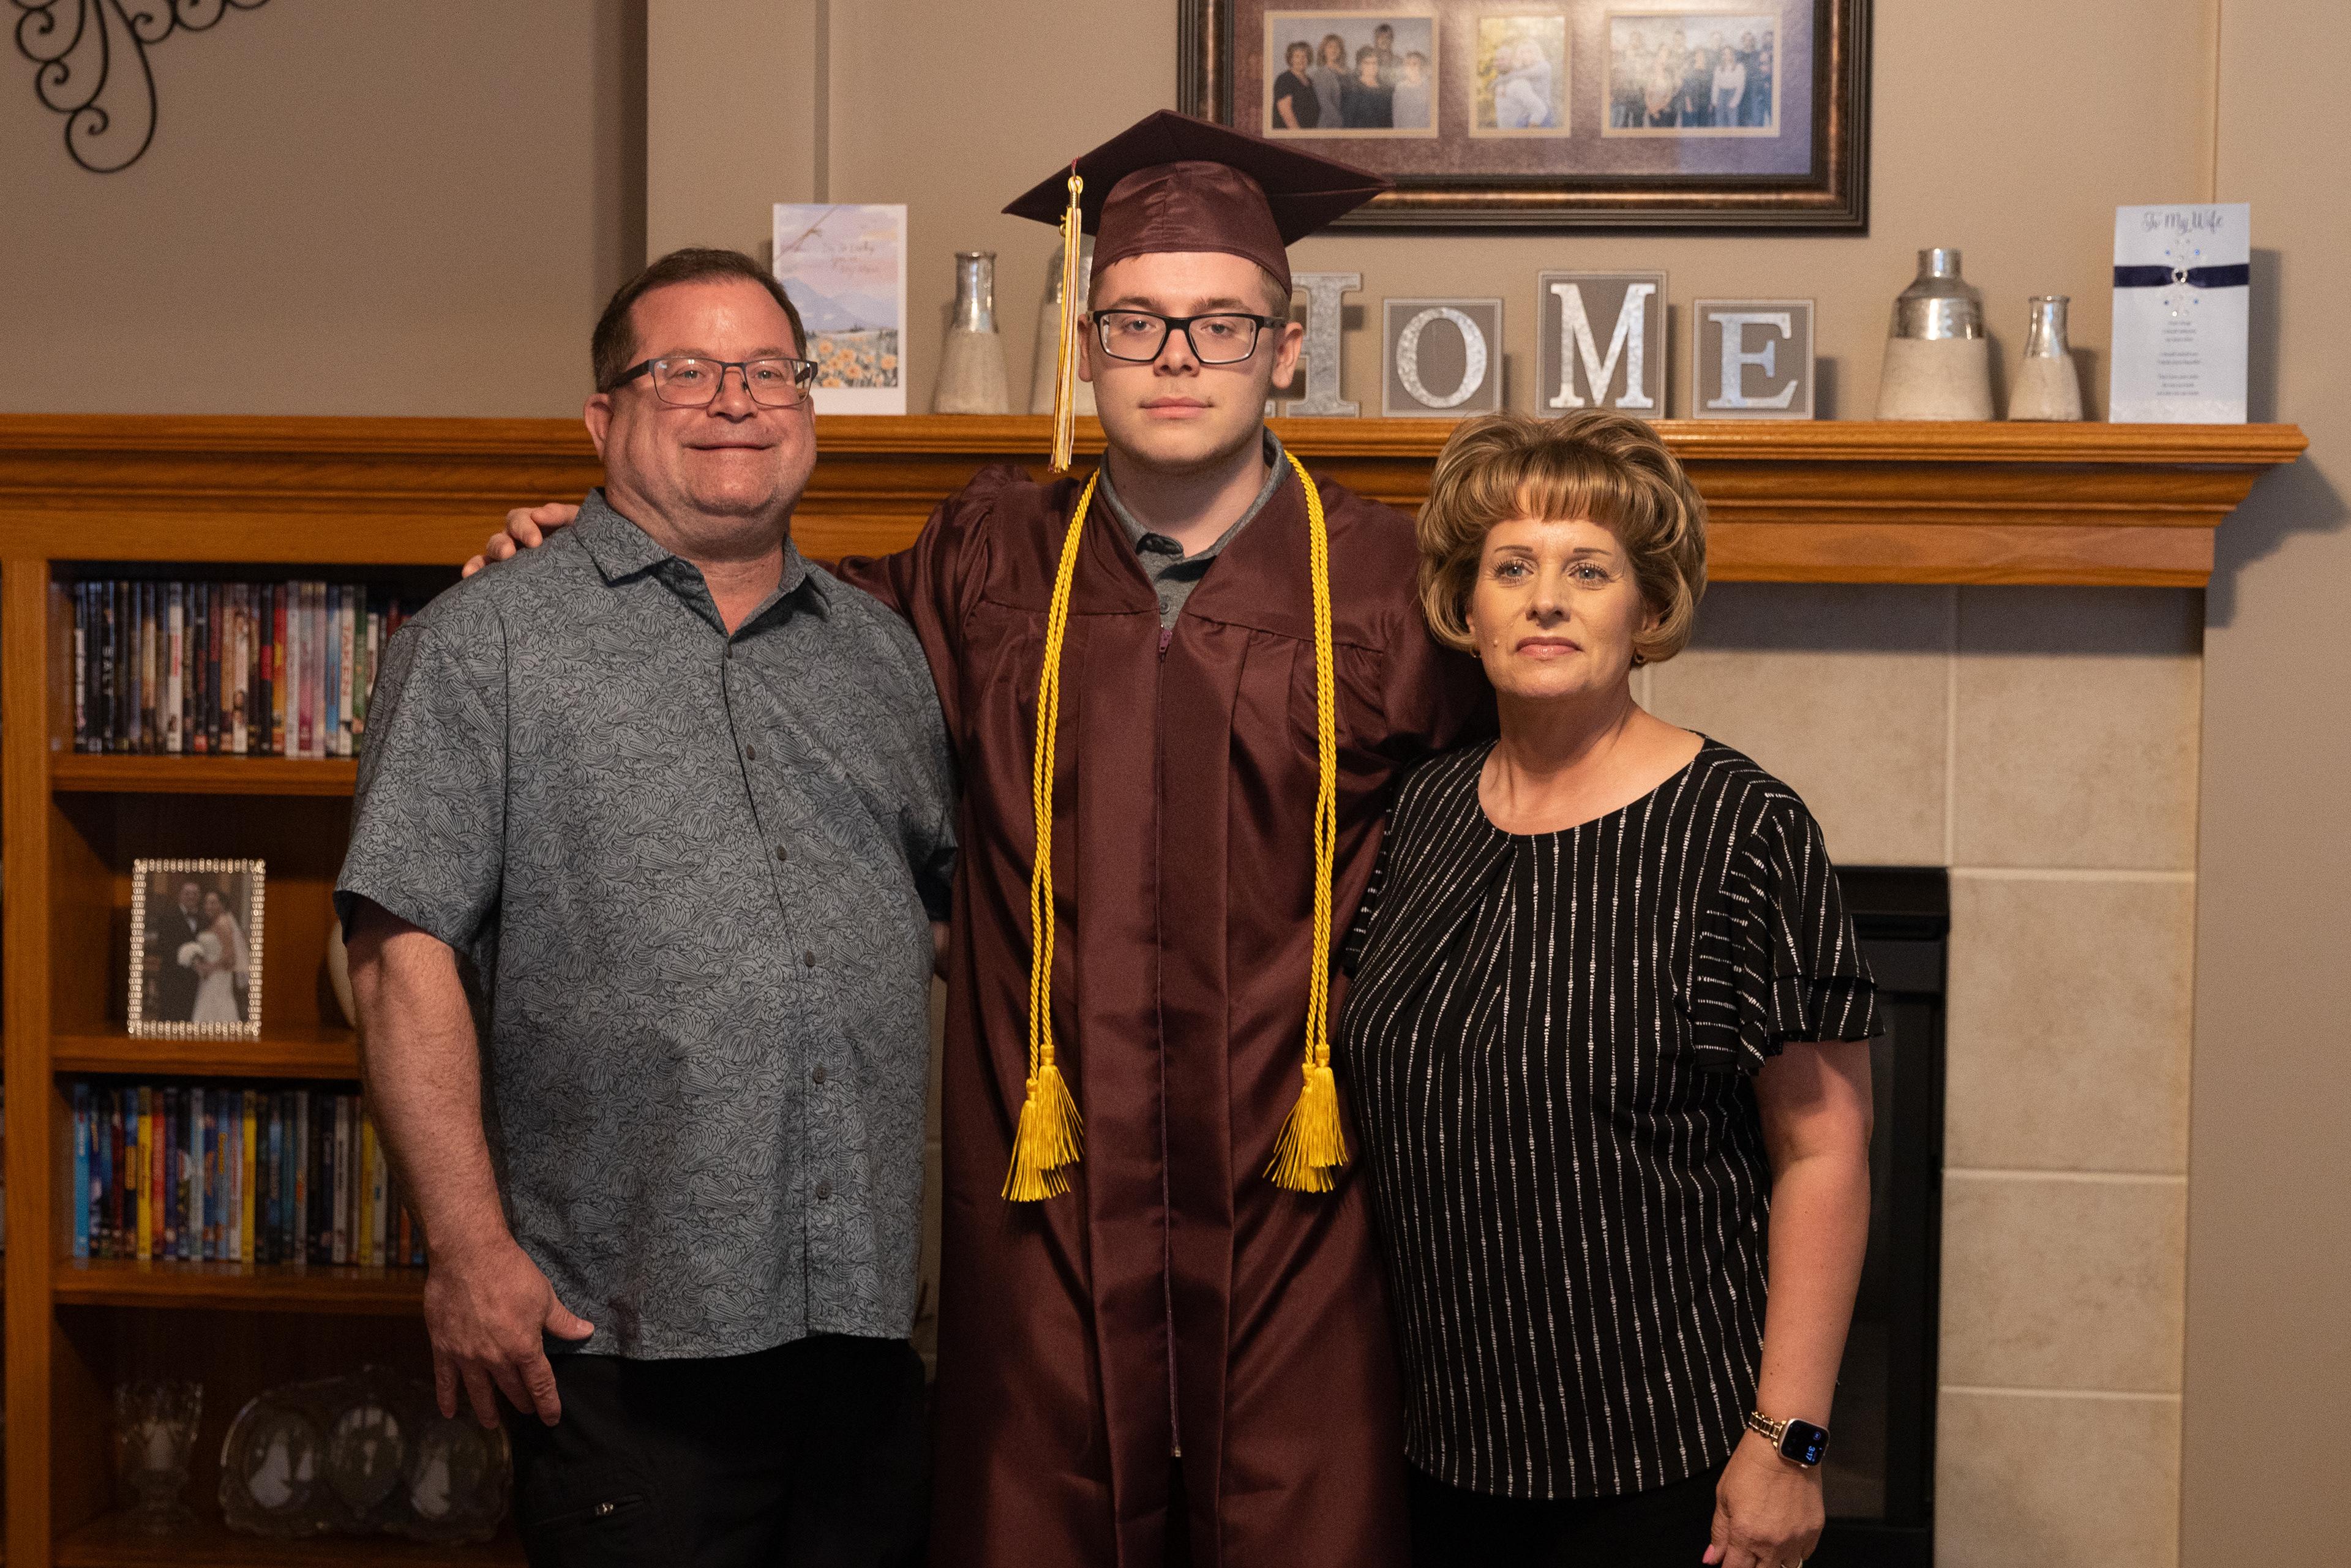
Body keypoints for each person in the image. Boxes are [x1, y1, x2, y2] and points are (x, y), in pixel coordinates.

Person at [472, 111, 1493, 1568]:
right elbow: (764, 629)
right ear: (1084, 347)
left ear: (1286, 349)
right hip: (1046, 1212)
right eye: (1135, 322)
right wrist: (592, 558)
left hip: (1309, 1215)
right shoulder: (987, 558)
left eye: (1222, 323)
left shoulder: (1397, 581)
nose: (1178, 357)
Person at [343, 246, 955, 1567]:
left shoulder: (881, 653)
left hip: (862, 1337)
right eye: (685, 370)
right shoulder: (485, 642)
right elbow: (398, 954)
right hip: (620, 1348)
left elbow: (950, 923)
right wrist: (467, 1249)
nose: (735, 398)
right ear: (601, 417)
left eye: (770, 371)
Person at [1339, 410, 1878, 1568]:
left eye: (1588, 570)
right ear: (1465, 605)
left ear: (1646, 607)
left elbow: (1824, 1152)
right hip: (1444, 1455)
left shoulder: (1742, 829)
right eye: (1512, 568)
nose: (1546, 601)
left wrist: (1787, 1446)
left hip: (1669, 1464)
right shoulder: (1420, 814)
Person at [147, 877, 206, 1022]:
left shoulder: (205, 919)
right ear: (180, 895)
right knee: (170, 1020)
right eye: (187, 893)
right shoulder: (168, 917)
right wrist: (188, 960)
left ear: (199, 897)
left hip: (197, 981)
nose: (191, 897)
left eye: (195, 894)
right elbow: (164, 947)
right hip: (172, 978)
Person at [189, 886, 247, 1024]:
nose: (208, 906)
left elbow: (231, 956)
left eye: (213, 903)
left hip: (218, 976)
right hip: (210, 975)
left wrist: (210, 968)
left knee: (216, 1010)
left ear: (222, 905)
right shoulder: (217, 922)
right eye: (206, 902)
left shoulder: (223, 923)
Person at [1490, 39, 1554, 130]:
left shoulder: (1543, 67)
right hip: (1528, 114)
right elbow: (1509, 71)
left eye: (1529, 51)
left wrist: (1497, 82)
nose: (1525, 55)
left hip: (1544, 113)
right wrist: (1502, 85)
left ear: (1536, 52)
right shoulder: (1523, 68)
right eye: (1522, 52)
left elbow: (1514, 75)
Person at [1343, 43, 1395, 128]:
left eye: (1374, 63)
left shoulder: (1386, 90)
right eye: (1367, 63)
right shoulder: (1353, 89)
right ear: (1360, 66)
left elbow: (1389, 121)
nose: (1371, 66)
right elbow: (1348, 122)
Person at [1273, 40, 1320, 130]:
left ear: (1308, 59)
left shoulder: (1310, 82)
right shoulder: (1285, 79)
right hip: (1292, 133)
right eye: (1297, 56)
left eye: (1304, 56)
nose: (1301, 60)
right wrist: (1298, 135)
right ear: (1291, 59)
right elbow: (1286, 112)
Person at [1308, 34, 1349, 129]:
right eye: (1330, 47)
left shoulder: (1347, 72)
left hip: (1348, 123)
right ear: (1324, 51)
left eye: (1337, 47)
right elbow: (1325, 104)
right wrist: (1341, 123)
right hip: (1330, 125)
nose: (1334, 50)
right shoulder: (1320, 74)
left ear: (1341, 51)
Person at [1391, 50, 1431, 130]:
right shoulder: (1400, 88)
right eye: (1408, 64)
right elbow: (1396, 115)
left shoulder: (1428, 87)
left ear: (1421, 66)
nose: (1411, 67)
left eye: (1414, 64)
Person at [1645, 42, 1682, 127]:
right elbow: (1647, 91)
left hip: (1669, 109)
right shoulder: (1652, 68)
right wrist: (1653, 109)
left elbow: (1674, 91)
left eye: (1667, 51)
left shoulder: (1672, 69)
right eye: (1663, 50)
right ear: (1659, 52)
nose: (1665, 53)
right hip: (1653, 109)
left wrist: (1678, 84)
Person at [1714, 45, 1748, 130]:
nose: (1727, 56)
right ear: (1722, 56)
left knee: (1733, 123)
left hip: (1733, 94)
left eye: (1729, 54)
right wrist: (1714, 99)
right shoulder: (1718, 68)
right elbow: (1715, 85)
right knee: (1720, 124)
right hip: (1721, 95)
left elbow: (1741, 86)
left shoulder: (1739, 67)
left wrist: (1735, 101)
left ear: (1733, 55)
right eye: (1725, 54)